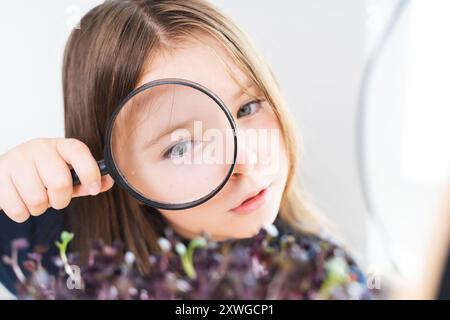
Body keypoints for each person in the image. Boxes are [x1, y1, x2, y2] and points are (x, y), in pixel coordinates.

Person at [0, 0, 365, 297]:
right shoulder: (46, 246)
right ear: (122, 173)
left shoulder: (323, 277)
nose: (247, 162)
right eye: (182, 147)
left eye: (248, 108)